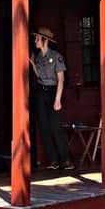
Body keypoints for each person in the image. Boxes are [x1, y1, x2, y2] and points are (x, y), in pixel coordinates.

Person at [30, 27, 73, 170]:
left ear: (45, 40)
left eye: (37, 39)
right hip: (41, 91)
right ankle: (53, 160)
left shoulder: (56, 56)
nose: (35, 41)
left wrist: (57, 99)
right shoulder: (37, 57)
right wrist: (32, 64)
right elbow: (38, 76)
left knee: (55, 127)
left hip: (54, 91)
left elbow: (61, 79)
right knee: (44, 127)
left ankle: (66, 160)